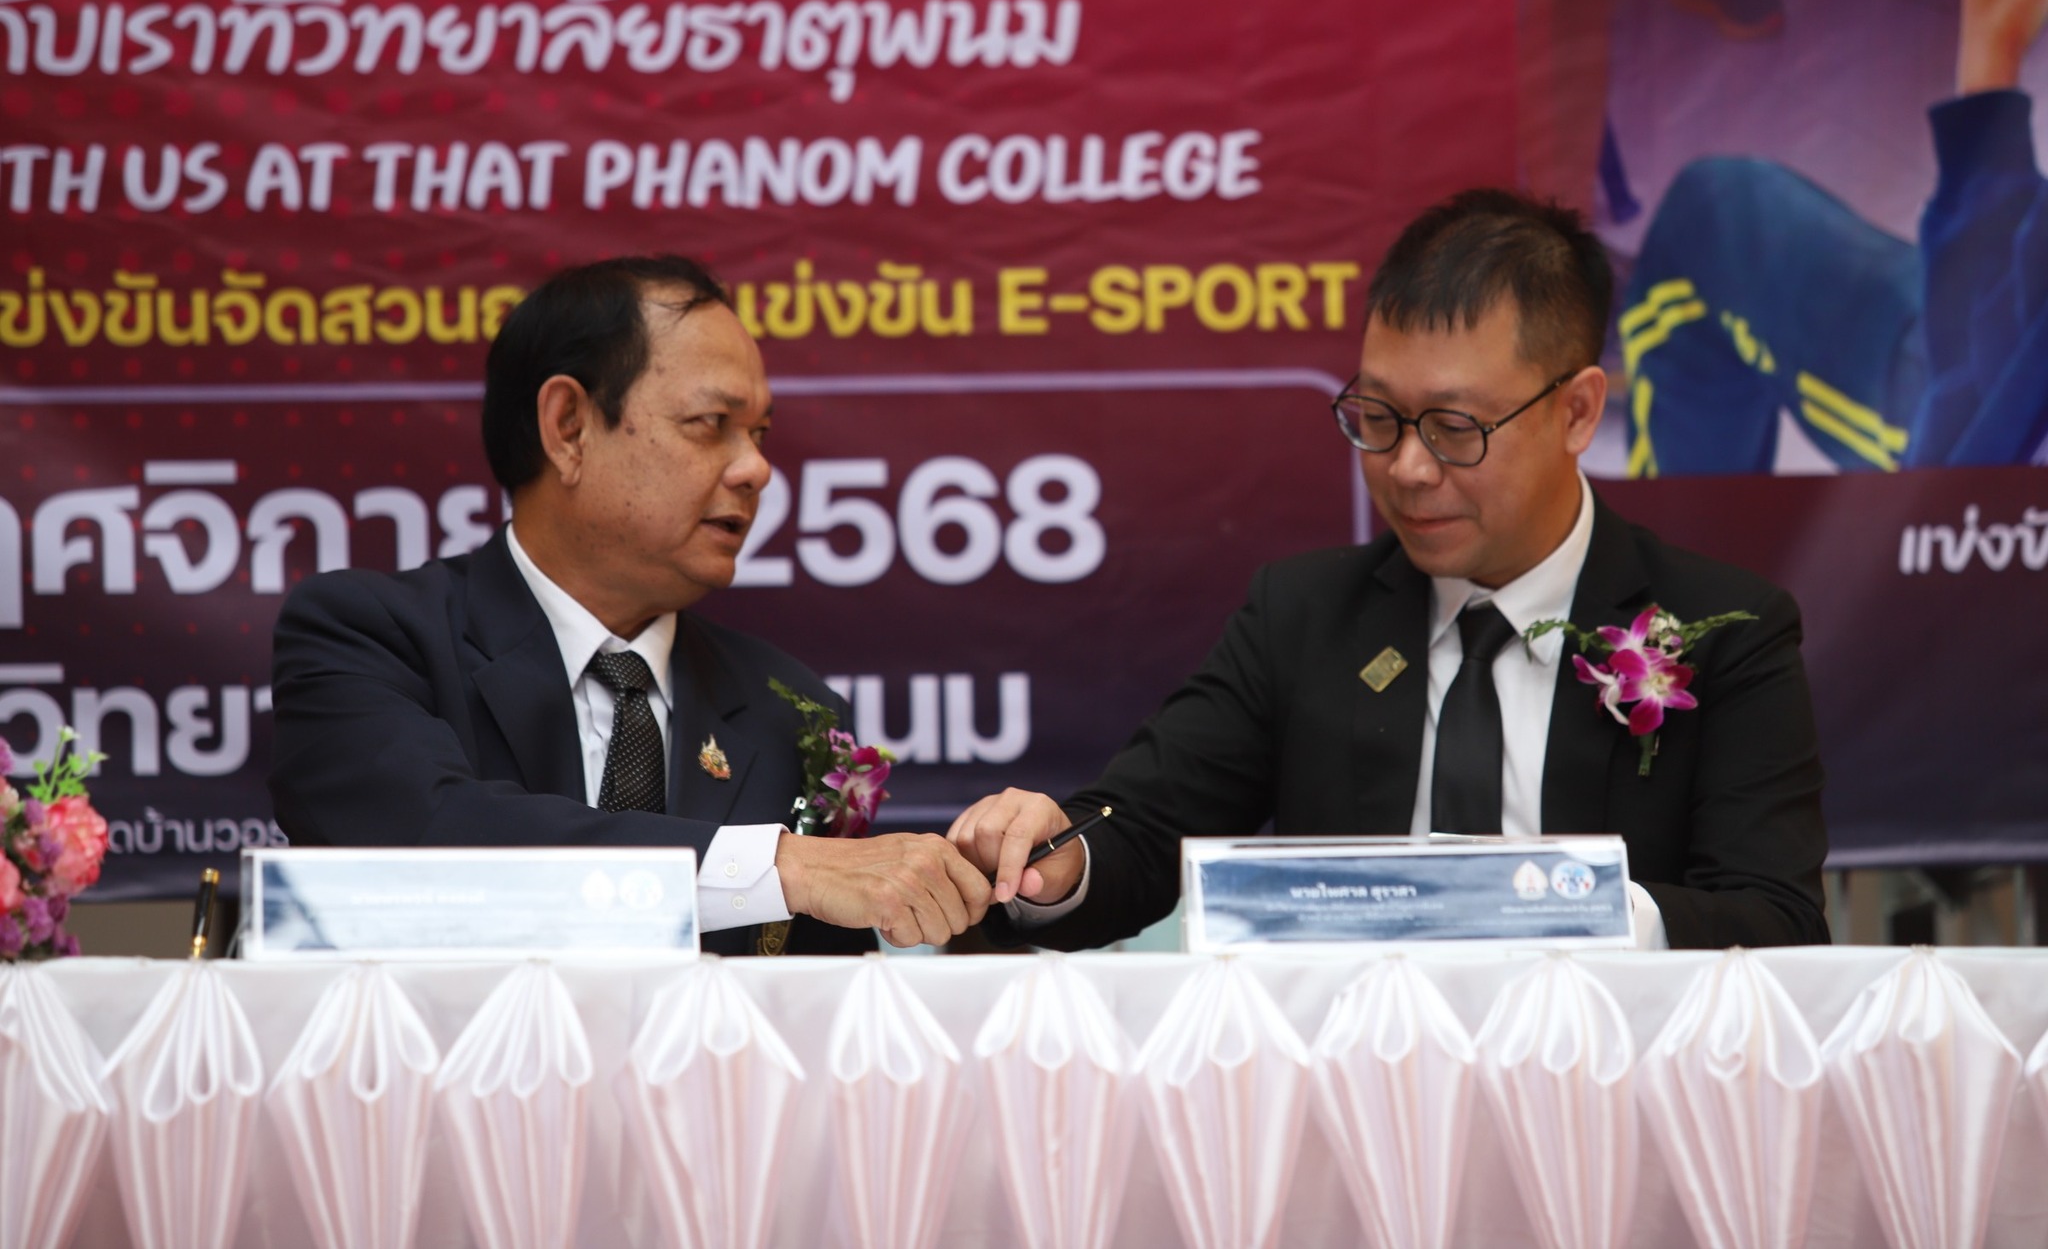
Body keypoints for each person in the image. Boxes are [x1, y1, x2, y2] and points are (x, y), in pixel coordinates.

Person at [953, 190, 1830, 951]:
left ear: (1577, 411)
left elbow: (1775, 921)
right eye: (1377, 416)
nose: (1407, 468)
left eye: (1454, 428)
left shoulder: (1723, 631)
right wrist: (1057, 858)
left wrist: (1557, 908)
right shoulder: (1304, 616)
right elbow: (1142, 830)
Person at [269, 256, 992, 955]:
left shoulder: (790, 711)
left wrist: (990, 889)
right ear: (569, 427)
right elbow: (424, 842)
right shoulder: (369, 637)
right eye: (711, 422)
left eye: (760, 434)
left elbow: (818, 998)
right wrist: (777, 867)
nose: (757, 469)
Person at [1618, 0, 2048, 475]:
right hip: (2007, 345)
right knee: (1715, 216)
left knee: (1703, 226)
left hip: (1978, 415)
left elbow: (1972, 414)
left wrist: (1991, 56)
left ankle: (1671, 537)